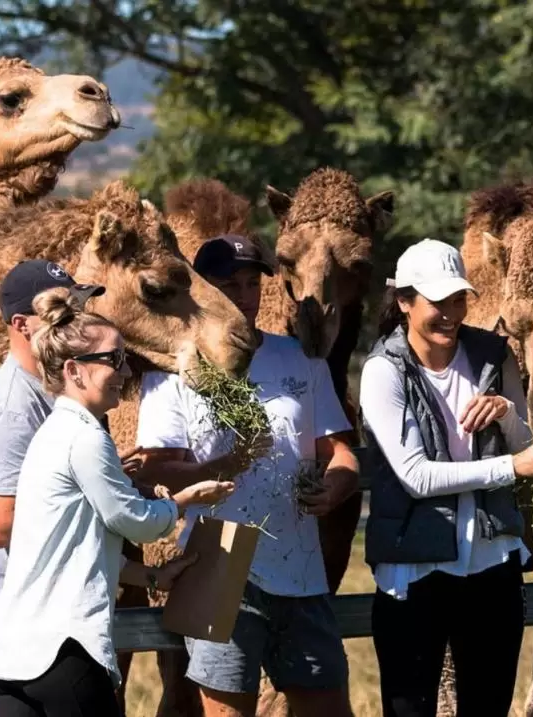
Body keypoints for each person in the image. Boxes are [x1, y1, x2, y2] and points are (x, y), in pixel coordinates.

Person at [0, 286, 236, 717]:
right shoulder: (85, 437)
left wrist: (149, 576)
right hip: (63, 654)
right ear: (73, 370)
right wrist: (182, 501)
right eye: (113, 359)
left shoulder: (51, 433)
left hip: (13, 656)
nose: (125, 370)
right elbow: (132, 520)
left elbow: (72, 542)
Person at [135, 234, 360, 717]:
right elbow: (154, 472)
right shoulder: (173, 369)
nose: (242, 294)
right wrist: (225, 466)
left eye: (251, 282)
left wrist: (335, 485)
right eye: (227, 284)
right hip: (216, 557)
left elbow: (340, 452)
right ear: (203, 291)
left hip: (300, 564)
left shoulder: (302, 359)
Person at [359, 238, 533, 716]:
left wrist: (507, 412)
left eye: (458, 300)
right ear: (404, 302)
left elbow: (528, 443)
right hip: (413, 570)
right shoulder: (383, 372)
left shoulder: (494, 356)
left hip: (492, 562)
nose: (450, 313)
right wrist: (509, 468)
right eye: (436, 302)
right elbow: (416, 477)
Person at [0, 259, 160, 715]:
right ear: (20, 325)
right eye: (63, 309)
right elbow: (1, 526)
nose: (74, 319)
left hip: (47, 615)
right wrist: (103, 489)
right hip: (23, 622)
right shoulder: (13, 410)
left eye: (76, 306)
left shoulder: (62, 393)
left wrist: (101, 477)